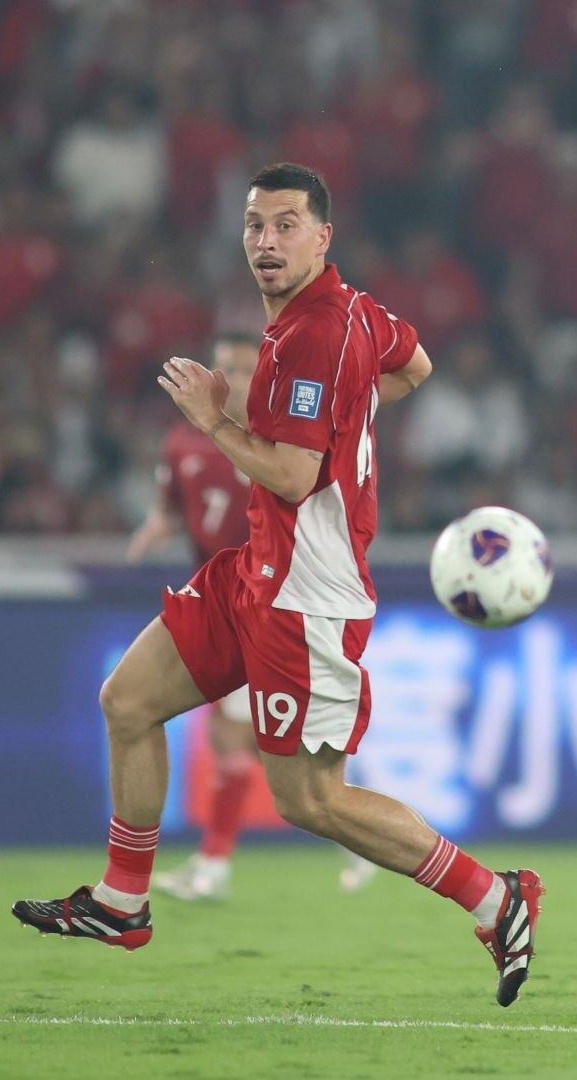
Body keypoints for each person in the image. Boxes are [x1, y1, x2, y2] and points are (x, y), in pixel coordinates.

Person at [12, 163, 545, 1008]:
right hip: (255, 569)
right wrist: (348, 417)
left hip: (307, 592)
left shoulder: (312, 334)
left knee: (311, 800)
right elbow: (415, 368)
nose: (266, 240)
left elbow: (295, 477)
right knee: (127, 701)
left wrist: (214, 422)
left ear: (323, 236)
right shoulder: (354, 313)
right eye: (256, 224)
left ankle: (493, 896)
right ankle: (122, 900)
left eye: (286, 224)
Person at [129, 333, 376, 900]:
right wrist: (157, 525)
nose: (236, 379)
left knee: (242, 745)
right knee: (279, 762)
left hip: (269, 612)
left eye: (247, 369)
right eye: (227, 368)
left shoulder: (278, 447)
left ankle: (213, 866)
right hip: (214, 605)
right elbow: (171, 503)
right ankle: (358, 841)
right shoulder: (182, 444)